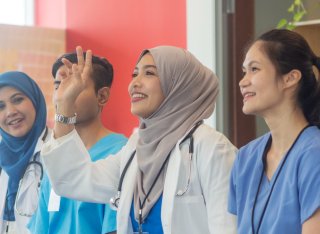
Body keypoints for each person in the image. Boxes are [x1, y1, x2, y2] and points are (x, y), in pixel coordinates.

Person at [41, 45, 237, 234]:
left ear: (179, 83)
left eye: (149, 73)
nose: (134, 83)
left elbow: (228, 228)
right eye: (134, 74)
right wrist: (65, 104)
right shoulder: (136, 150)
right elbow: (73, 180)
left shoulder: (212, 148)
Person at [228, 29, 320, 234]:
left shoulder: (314, 154)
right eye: (244, 71)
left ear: (290, 78)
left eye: (254, 69)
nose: (243, 81)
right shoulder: (245, 158)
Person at [28, 52, 127, 234]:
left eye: (75, 86)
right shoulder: (54, 156)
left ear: (102, 96)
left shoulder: (122, 153)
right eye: (59, 86)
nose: (63, 95)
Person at [0, 71, 49, 234]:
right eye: (1, 106)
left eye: (18, 99)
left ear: (35, 100)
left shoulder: (56, 153)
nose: (10, 112)